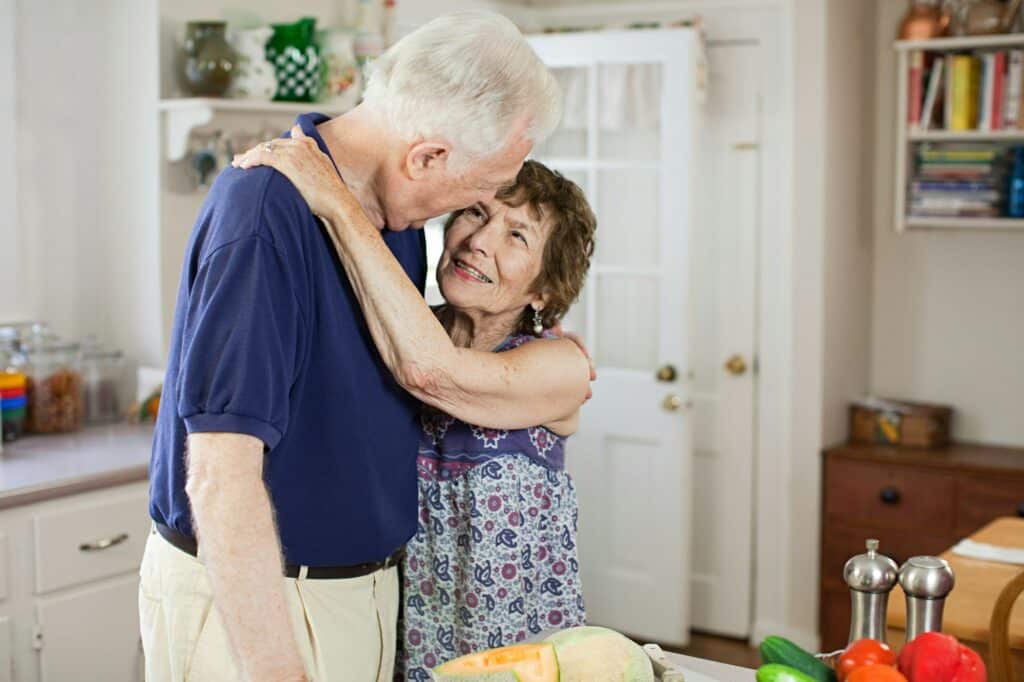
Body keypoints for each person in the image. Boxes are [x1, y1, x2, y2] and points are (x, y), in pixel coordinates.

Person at [139, 11, 566, 682]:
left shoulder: (391, 221)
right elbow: (219, 476)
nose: (477, 211)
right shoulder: (263, 212)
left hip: (362, 597)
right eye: (481, 190)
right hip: (264, 606)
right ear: (427, 155)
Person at [233, 130, 597, 679]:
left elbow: (434, 373)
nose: (479, 240)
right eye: (475, 212)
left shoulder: (560, 365)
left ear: (544, 291)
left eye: (517, 235)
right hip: (404, 624)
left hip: (518, 645)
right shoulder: (403, 330)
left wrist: (333, 199)